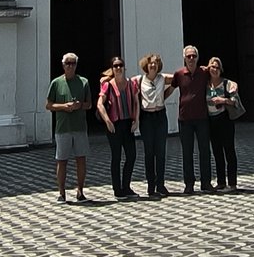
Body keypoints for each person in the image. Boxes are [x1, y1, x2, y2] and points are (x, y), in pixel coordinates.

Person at [45, 53, 91, 202]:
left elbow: (89, 104)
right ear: (63, 65)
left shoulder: (83, 82)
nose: (70, 66)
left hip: (80, 127)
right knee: (61, 160)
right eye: (67, 63)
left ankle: (80, 191)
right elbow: (49, 105)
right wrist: (64, 106)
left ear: (76, 65)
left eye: (73, 63)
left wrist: (79, 105)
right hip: (63, 128)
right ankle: (61, 192)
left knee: (81, 159)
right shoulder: (56, 83)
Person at [171, 43, 213, 194]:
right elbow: (170, 85)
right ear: (184, 58)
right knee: (187, 152)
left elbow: (217, 75)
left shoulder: (204, 72)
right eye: (188, 56)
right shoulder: (179, 74)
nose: (191, 59)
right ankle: (189, 183)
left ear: (197, 58)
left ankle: (206, 182)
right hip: (185, 119)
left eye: (194, 56)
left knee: (204, 151)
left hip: (202, 117)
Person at [97, 58, 140, 200]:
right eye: (115, 66)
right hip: (114, 125)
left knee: (131, 155)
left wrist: (136, 120)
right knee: (116, 157)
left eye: (121, 65)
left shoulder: (131, 84)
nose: (118, 68)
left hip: (128, 124)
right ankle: (117, 189)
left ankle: (126, 186)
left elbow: (136, 102)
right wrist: (107, 121)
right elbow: (99, 104)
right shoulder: (107, 85)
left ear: (124, 67)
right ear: (112, 68)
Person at [136, 52, 175, 198]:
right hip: (147, 117)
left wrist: (167, 94)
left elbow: (178, 78)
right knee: (149, 152)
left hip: (160, 116)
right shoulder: (140, 80)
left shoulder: (162, 78)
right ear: (146, 65)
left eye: (156, 63)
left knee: (161, 152)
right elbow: (124, 82)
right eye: (151, 63)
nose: (153, 65)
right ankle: (150, 185)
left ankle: (161, 184)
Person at [206, 57, 239, 191]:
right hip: (211, 121)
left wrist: (222, 100)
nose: (215, 70)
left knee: (229, 151)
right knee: (217, 152)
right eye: (212, 67)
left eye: (217, 67)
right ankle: (221, 182)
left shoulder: (227, 83)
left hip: (224, 119)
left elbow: (234, 101)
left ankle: (232, 183)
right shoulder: (206, 84)